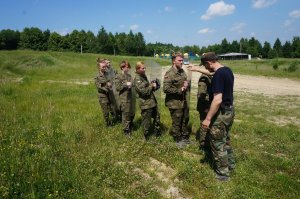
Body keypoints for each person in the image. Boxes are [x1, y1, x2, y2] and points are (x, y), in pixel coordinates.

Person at [200, 52, 236, 181]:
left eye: (205, 65)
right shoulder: (227, 70)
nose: (205, 68)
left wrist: (208, 118)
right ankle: (231, 165)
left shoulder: (218, 75)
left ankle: (223, 173)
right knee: (225, 139)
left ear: (209, 62)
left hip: (221, 113)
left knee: (217, 142)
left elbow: (217, 100)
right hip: (229, 110)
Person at [163, 52, 190, 147]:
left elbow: (185, 80)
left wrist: (186, 83)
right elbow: (166, 89)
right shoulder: (169, 73)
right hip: (174, 102)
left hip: (183, 101)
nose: (182, 62)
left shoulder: (182, 71)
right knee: (177, 121)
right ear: (174, 61)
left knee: (184, 119)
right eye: (180, 60)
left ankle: (184, 137)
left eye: (182, 60)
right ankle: (177, 140)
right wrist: (180, 90)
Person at [188, 65, 213, 151]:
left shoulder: (210, 75)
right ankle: (203, 144)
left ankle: (208, 142)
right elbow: (201, 95)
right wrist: (210, 101)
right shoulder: (204, 78)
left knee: (209, 125)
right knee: (204, 125)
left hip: (208, 105)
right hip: (205, 106)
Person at [134, 61, 161, 140]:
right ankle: (145, 137)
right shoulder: (137, 79)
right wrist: (152, 86)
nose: (145, 69)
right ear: (138, 69)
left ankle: (156, 134)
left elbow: (148, 88)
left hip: (152, 102)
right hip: (146, 104)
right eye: (143, 68)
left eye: (145, 68)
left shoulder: (143, 76)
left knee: (157, 117)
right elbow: (143, 92)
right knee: (146, 121)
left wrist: (156, 85)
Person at [114, 60, 135, 136]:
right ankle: (126, 131)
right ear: (122, 67)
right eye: (127, 67)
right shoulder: (118, 76)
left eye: (129, 67)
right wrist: (125, 84)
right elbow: (117, 88)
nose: (128, 68)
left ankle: (130, 126)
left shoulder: (129, 76)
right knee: (125, 115)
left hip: (130, 97)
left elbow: (133, 84)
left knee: (130, 113)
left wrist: (131, 84)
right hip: (124, 99)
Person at [94, 58, 117, 126]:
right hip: (103, 96)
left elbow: (112, 81)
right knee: (106, 112)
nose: (104, 68)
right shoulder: (97, 76)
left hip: (110, 94)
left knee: (112, 109)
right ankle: (108, 124)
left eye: (105, 66)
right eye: (103, 67)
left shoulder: (107, 73)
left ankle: (115, 120)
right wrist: (107, 86)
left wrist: (111, 85)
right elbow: (99, 86)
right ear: (99, 67)